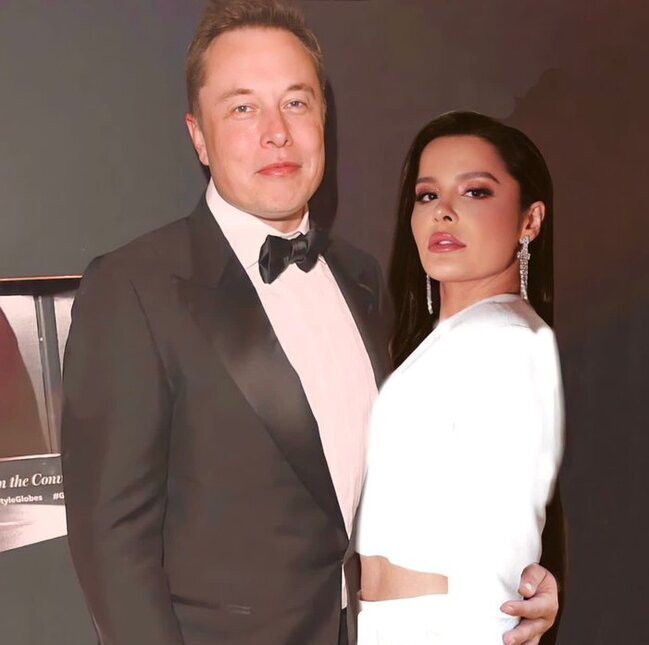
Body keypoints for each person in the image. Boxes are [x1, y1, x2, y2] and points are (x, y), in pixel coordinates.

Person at [61, 2, 560, 644]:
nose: (277, 133)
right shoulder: (134, 289)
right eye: (243, 107)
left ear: (323, 118)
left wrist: (511, 585)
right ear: (198, 136)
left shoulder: (362, 279)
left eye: (296, 103)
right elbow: (112, 549)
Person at [357, 111, 565, 644]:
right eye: (427, 195)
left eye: (475, 192)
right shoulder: (441, 345)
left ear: (530, 220)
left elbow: (506, 539)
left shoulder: (507, 341)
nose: (442, 211)